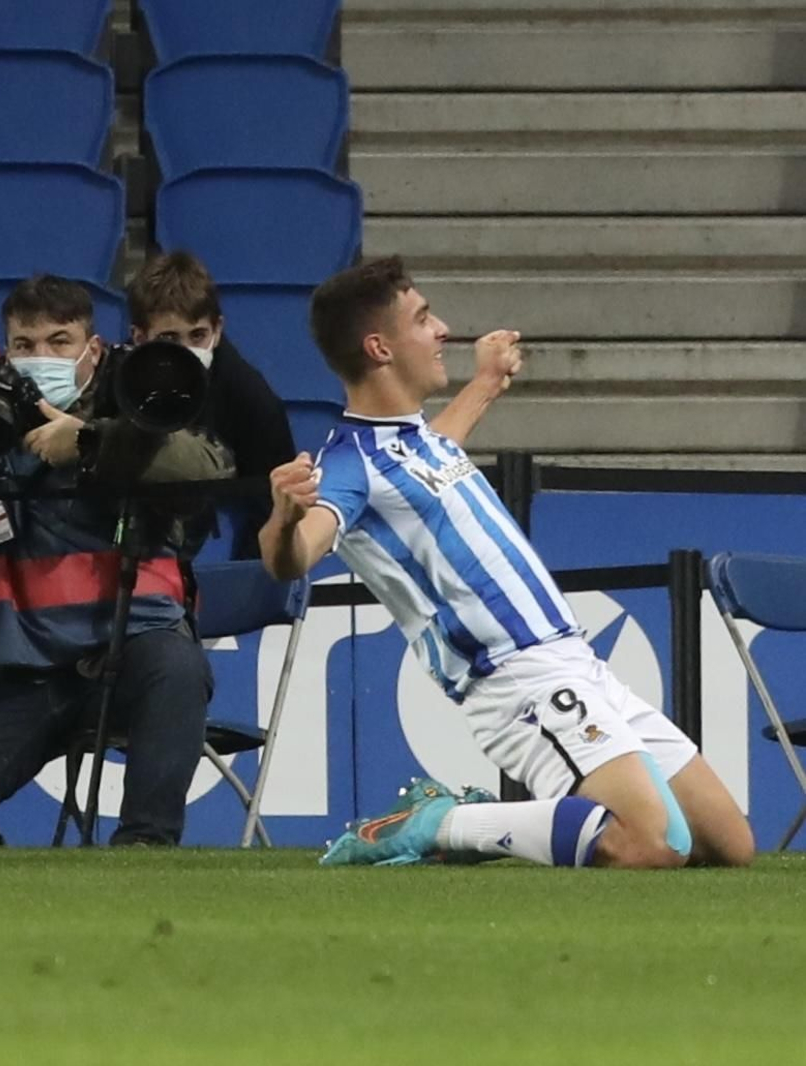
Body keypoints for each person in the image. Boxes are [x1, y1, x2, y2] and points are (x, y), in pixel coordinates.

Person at [260, 256, 754, 869]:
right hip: (517, 679)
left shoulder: (418, 440)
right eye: (423, 319)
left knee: (728, 845)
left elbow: (437, 453)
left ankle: (469, 823)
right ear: (380, 348)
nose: (442, 330)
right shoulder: (347, 466)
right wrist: (284, 520)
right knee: (651, 845)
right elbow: (294, 557)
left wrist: (487, 383)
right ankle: (441, 824)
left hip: (576, 662)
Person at [0, 275, 231, 845]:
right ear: (6, 350)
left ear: (93, 349)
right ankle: (8, 894)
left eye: (60, 342)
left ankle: (145, 853)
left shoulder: (135, 396)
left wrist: (92, 443)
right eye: (25, 345)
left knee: (178, 667)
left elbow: (205, 469)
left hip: (130, 650)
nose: (43, 357)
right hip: (15, 668)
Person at [126, 250, 295, 558]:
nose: (186, 351)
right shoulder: (119, 380)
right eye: (169, 338)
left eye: (198, 335)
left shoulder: (253, 399)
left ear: (217, 330)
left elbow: (272, 511)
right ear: (139, 338)